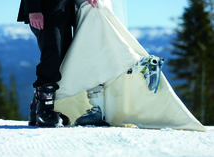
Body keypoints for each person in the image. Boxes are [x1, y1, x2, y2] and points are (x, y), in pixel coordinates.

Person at [52, 0, 209, 131]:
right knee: (97, 55)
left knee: (90, 52)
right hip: (91, 5)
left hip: (89, 4)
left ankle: (138, 66)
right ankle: (98, 110)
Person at [17, 0, 75, 127]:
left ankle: (37, 108)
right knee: (52, 54)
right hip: (45, 9)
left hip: (64, 9)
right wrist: (34, 9)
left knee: (63, 57)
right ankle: (44, 109)